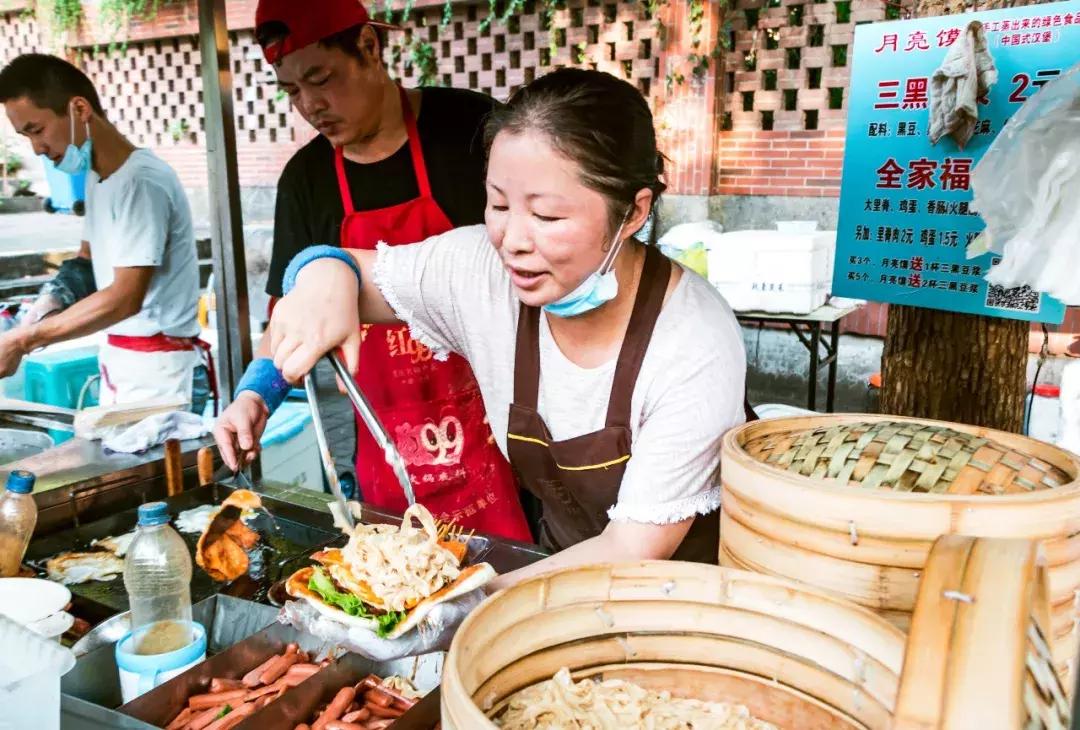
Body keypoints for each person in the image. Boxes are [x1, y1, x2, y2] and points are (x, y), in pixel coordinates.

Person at [227, 68, 748, 592]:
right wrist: (314, 283)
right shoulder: (481, 269)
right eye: (498, 204)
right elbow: (346, 273)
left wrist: (455, 601)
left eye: (545, 215)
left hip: (679, 597)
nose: (512, 239)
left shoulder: (693, 341)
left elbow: (633, 549)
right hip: (558, 572)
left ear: (633, 211)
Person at [214, 0, 530, 542]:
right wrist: (254, 394)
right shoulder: (306, 179)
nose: (310, 105)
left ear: (369, 47)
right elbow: (286, 319)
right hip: (387, 445)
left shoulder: (471, 131)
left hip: (500, 434)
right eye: (292, 91)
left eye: (321, 79)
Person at [0, 54, 209, 413]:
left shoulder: (142, 182)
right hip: (126, 369)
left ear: (79, 109)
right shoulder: (98, 177)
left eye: (37, 130)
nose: (37, 149)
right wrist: (38, 311)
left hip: (165, 378)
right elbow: (87, 262)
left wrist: (24, 340)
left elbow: (124, 297)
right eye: (26, 136)